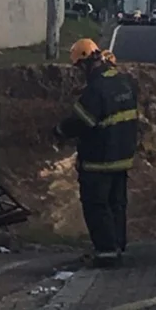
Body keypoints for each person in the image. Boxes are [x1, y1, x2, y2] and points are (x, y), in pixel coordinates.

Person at [54, 38, 139, 268]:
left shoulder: (96, 90)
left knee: (96, 204)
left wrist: (60, 130)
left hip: (99, 159)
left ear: (85, 63)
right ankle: (118, 246)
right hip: (123, 156)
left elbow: (81, 122)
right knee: (117, 203)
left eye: (78, 67)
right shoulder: (124, 82)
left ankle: (106, 253)